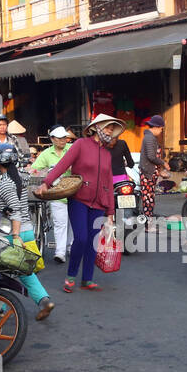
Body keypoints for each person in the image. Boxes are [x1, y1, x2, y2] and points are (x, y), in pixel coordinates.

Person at [39, 114, 124, 293]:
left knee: (93, 241)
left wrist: (110, 211)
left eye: (112, 129)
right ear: (97, 127)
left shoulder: (107, 154)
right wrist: (47, 182)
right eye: (108, 127)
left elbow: (109, 183)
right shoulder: (80, 145)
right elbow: (63, 165)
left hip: (99, 203)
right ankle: (70, 276)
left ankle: (87, 279)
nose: (110, 131)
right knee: (81, 238)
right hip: (79, 199)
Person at [0, 143, 55, 321]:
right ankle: (44, 301)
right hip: (27, 230)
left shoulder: (5, 183)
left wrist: (16, 237)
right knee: (24, 272)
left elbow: (15, 211)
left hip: (13, 233)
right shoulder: (20, 176)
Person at [32, 126, 73, 264]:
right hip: (56, 194)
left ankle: (71, 247)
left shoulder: (72, 149)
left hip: (74, 192)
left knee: (73, 222)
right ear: (52, 139)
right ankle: (60, 251)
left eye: (64, 137)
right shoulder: (46, 154)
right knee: (60, 223)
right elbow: (35, 169)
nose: (63, 140)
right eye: (60, 138)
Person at [138, 115, 167, 219]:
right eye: (161, 129)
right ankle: (148, 224)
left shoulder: (150, 137)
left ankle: (149, 222)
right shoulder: (149, 138)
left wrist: (159, 170)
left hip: (149, 173)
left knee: (149, 198)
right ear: (156, 127)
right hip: (147, 173)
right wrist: (163, 163)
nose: (161, 131)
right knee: (148, 199)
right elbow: (151, 156)